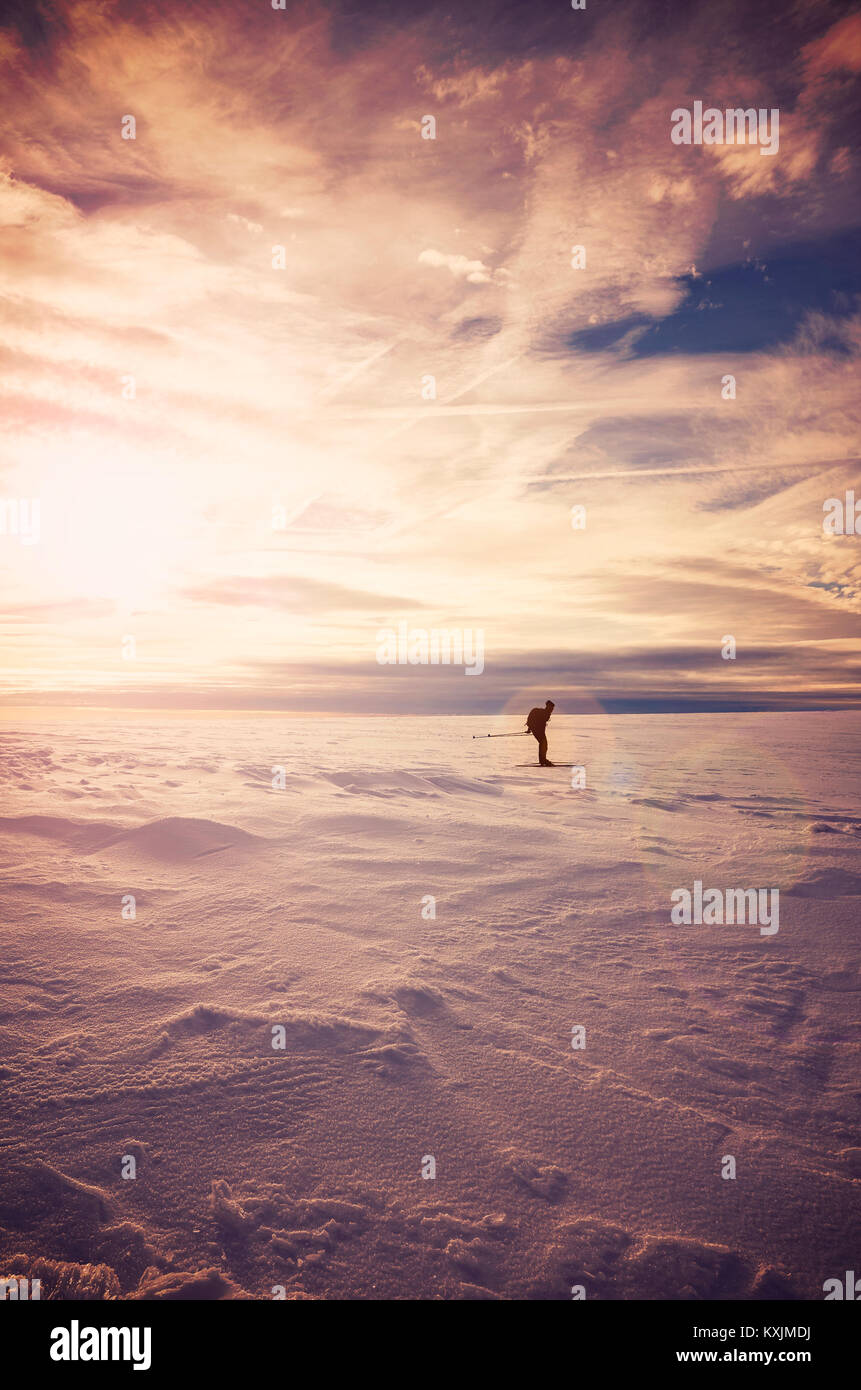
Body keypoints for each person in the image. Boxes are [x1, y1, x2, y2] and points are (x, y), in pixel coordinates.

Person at [526, 700, 555, 766]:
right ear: (549, 707)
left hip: (537, 730)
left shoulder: (544, 712)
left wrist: (529, 729)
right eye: (552, 708)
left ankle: (542, 760)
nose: (552, 710)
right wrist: (531, 729)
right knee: (543, 744)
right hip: (537, 730)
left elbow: (534, 720)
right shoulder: (545, 713)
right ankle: (543, 760)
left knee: (543, 744)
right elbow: (539, 723)